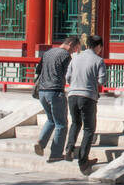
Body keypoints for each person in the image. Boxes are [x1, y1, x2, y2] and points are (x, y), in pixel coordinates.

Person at [63, 35, 105, 172]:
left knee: (75, 123)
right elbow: (102, 80)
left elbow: (67, 77)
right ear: (98, 46)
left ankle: (69, 149)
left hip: (72, 95)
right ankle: (83, 160)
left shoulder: (75, 58)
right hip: (87, 97)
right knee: (89, 128)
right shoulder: (98, 60)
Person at [34, 37, 78, 162]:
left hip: (42, 92)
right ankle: (56, 153)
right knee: (61, 124)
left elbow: (38, 70)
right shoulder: (65, 56)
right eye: (74, 49)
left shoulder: (48, 52)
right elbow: (68, 75)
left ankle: (41, 142)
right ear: (70, 44)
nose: (73, 52)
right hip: (55, 91)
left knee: (51, 119)